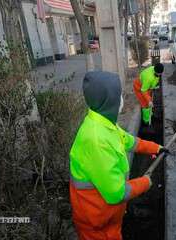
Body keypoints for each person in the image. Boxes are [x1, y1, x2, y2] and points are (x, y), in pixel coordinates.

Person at [69, 71, 168, 240]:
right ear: (109, 100)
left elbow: (129, 141)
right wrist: (145, 182)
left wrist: (155, 148)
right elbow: (117, 193)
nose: (122, 98)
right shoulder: (96, 140)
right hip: (96, 224)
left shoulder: (104, 124)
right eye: (119, 94)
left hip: (108, 218)